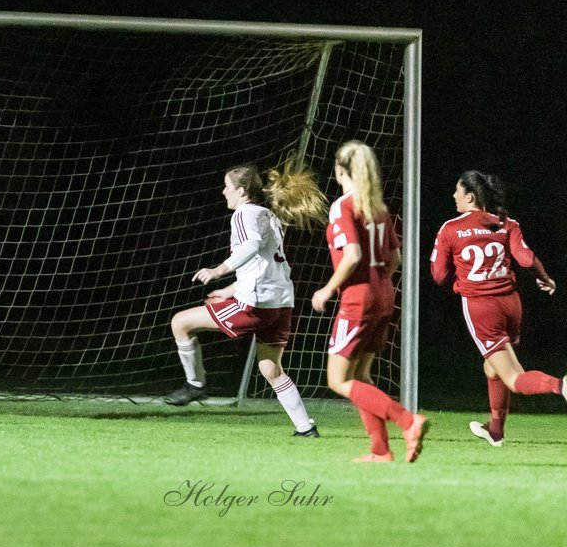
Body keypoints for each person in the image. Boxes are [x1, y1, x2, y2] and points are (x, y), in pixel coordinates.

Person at [163, 161, 327, 437]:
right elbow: (262, 265)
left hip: (255, 305)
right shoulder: (269, 216)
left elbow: (250, 246)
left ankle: (195, 384)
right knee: (271, 369)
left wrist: (219, 270)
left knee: (180, 323)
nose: (223, 192)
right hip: (281, 303)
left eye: (227, 187)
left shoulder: (243, 215)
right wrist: (230, 291)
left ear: (240, 190)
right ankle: (305, 427)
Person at [311, 140, 428, 462]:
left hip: (358, 299)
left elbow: (352, 256)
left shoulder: (344, 206)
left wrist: (327, 290)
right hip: (384, 294)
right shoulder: (378, 207)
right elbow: (395, 259)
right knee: (361, 377)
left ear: (339, 169)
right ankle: (380, 450)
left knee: (338, 380)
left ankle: (408, 420)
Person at [430, 170, 564, 446]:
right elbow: (525, 259)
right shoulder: (506, 223)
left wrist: (461, 276)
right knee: (492, 367)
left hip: (482, 308)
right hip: (511, 304)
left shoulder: (451, 228)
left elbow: (439, 276)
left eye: (457, 191)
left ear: (469, 196)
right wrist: (545, 278)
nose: (454, 196)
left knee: (514, 377)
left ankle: (560, 386)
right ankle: (495, 431)